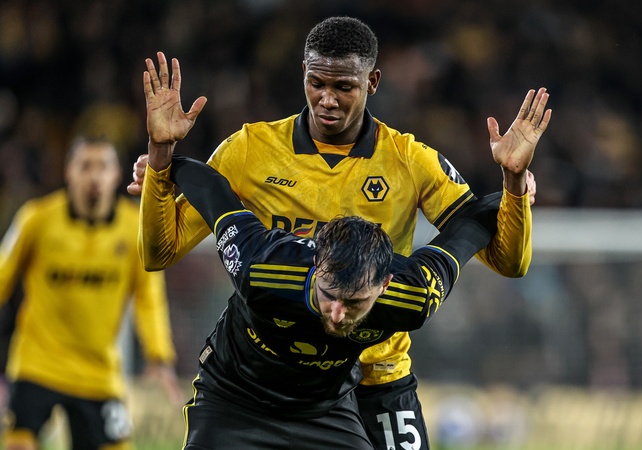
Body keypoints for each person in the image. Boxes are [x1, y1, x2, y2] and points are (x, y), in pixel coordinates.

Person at [131, 16, 551, 450]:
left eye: (344, 87)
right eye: (317, 83)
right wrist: (161, 159)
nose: (327, 99)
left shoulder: (411, 160)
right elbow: (161, 252)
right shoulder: (249, 150)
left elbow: (507, 261)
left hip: (378, 373)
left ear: (372, 82)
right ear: (303, 74)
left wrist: (514, 186)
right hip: (272, 365)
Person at [145, 150, 506, 448]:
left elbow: (471, 224)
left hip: (324, 410)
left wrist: (516, 186)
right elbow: (213, 191)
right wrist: (164, 161)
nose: (336, 314)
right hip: (235, 399)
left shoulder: (413, 296)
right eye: (329, 295)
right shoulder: (263, 269)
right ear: (317, 267)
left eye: (355, 303)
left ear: (385, 285)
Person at [0, 137, 182, 450]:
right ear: (69, 172)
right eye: (85, 166)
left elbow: (149, 298)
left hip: (98, 372)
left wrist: (159, 356)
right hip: (37, 363)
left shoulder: (134, 228)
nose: (94, 176)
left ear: (117, 174)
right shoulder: (37, 219)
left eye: (103, 167)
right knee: (19, 444)